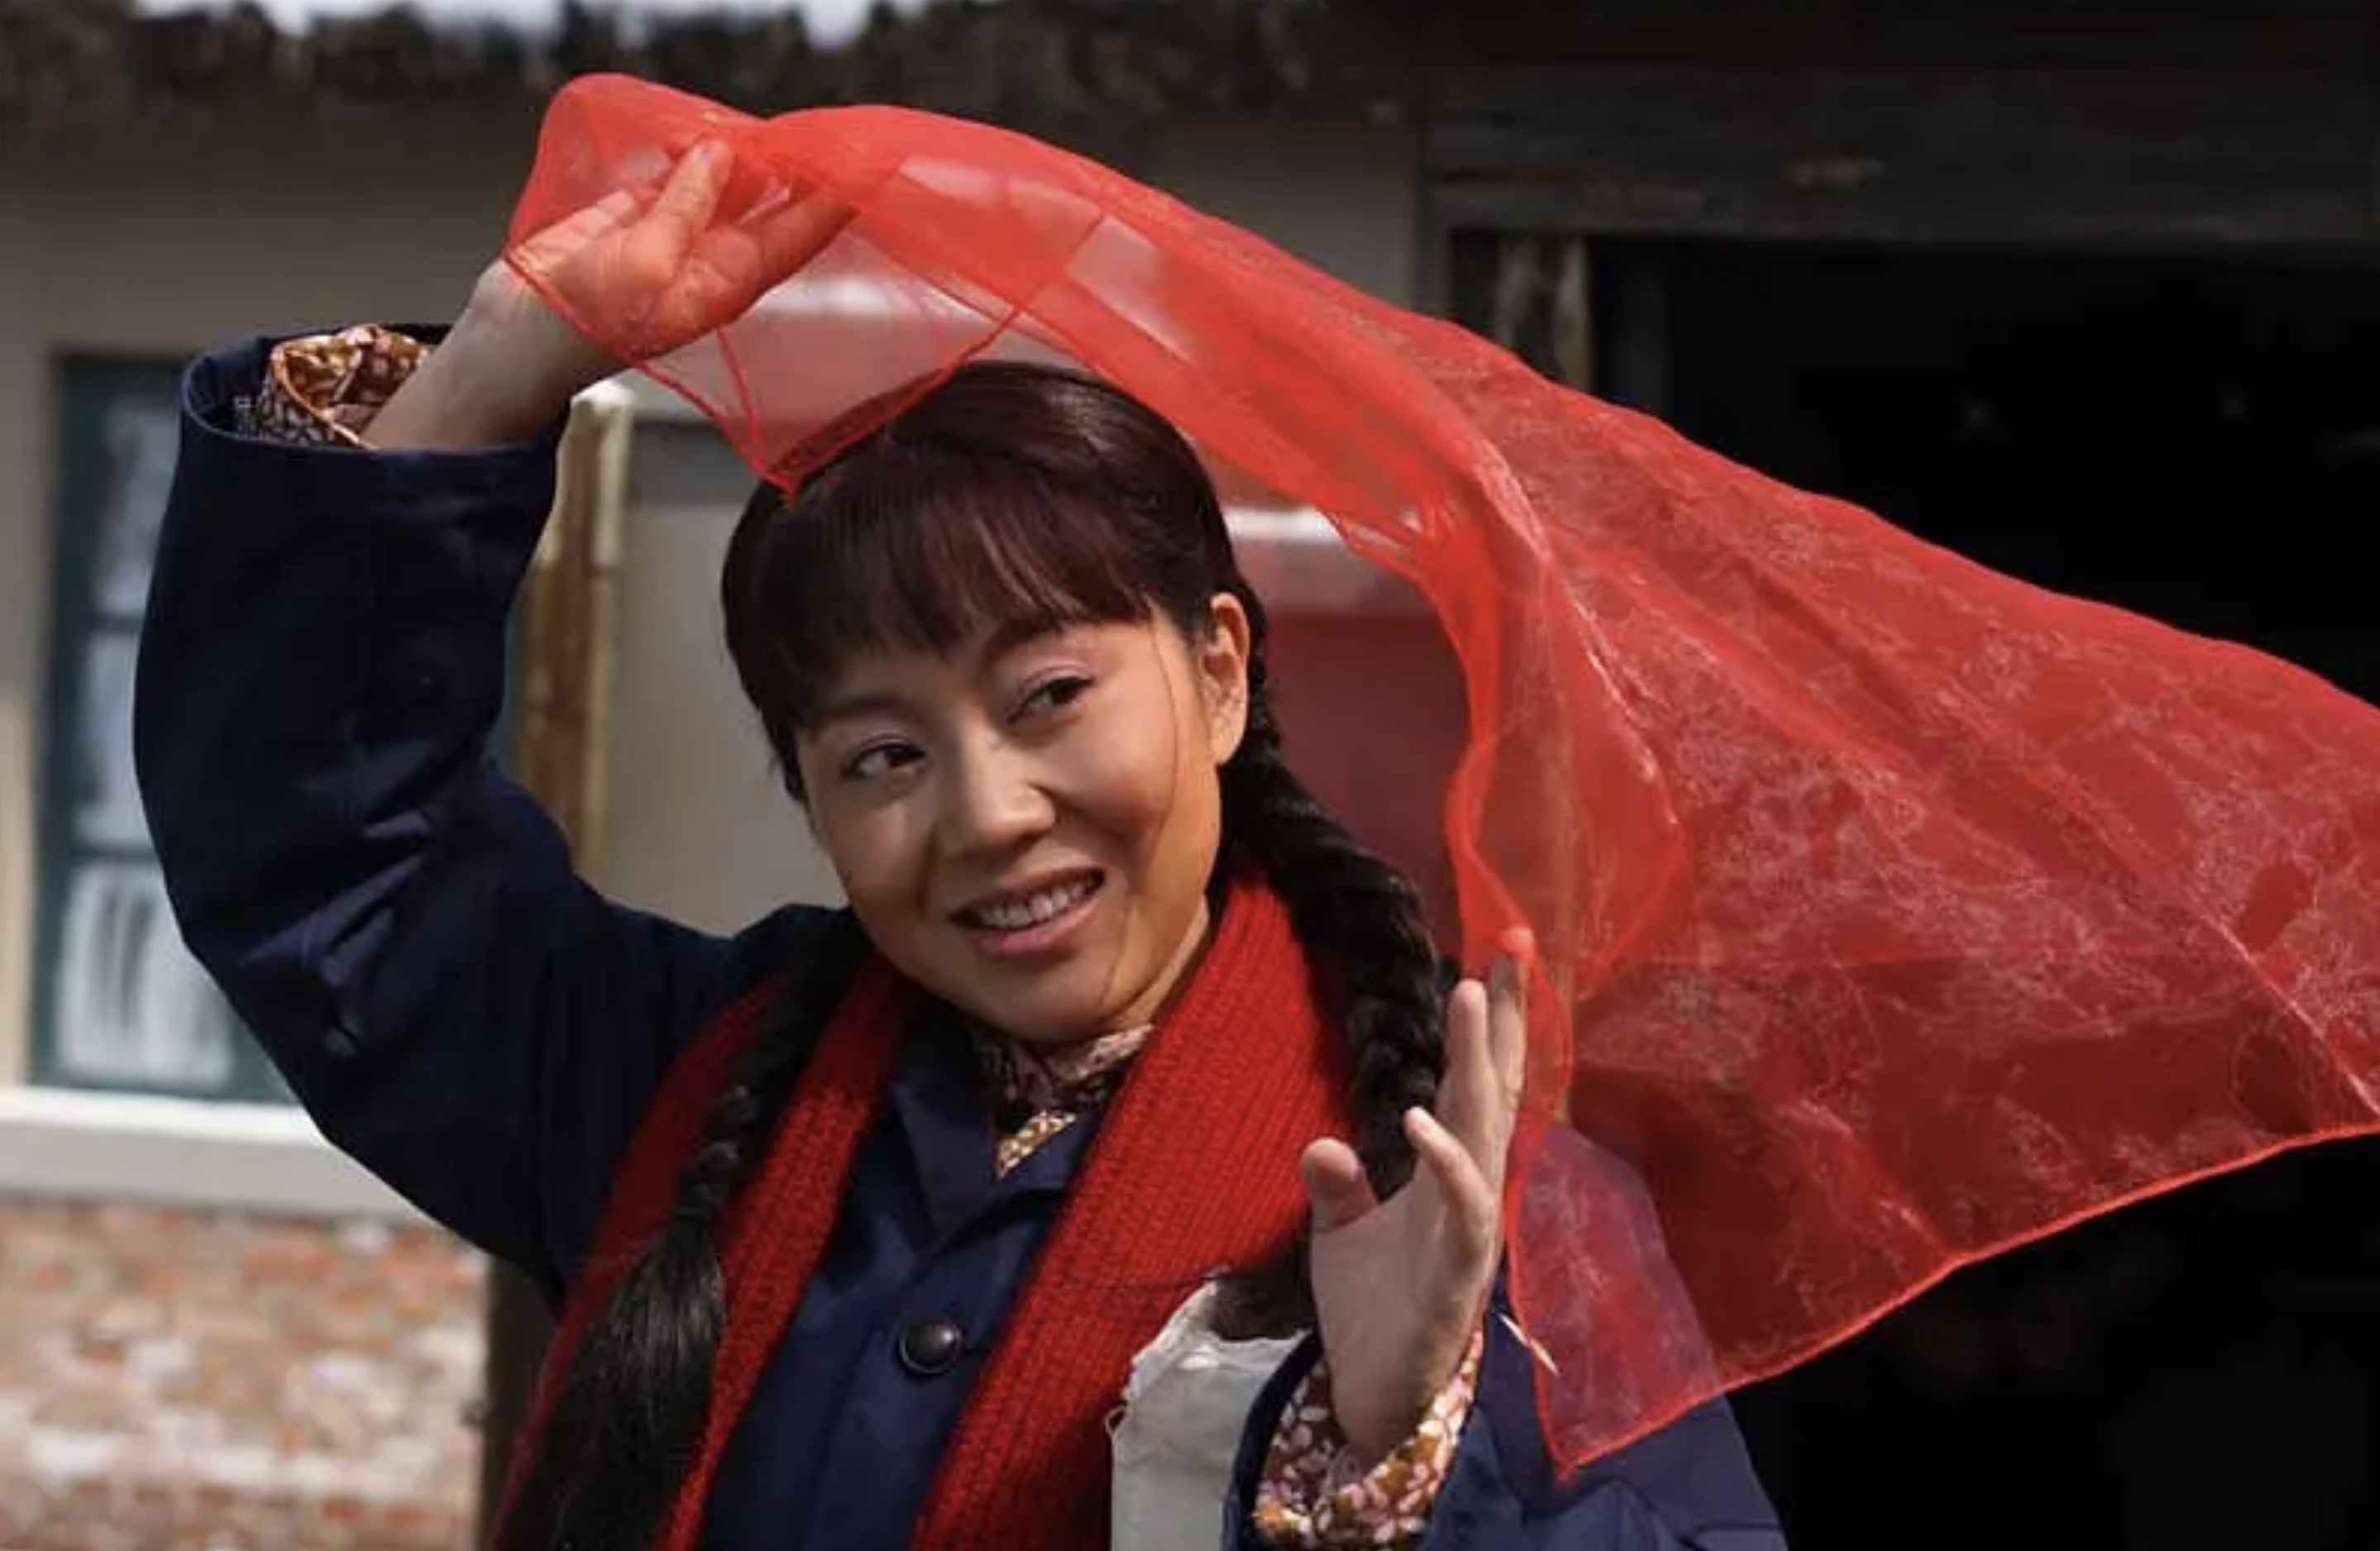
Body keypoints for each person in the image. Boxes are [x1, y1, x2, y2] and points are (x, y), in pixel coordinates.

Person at [133, 145, 1785, 1550]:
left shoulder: (1477, 1191)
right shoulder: (688, 1084)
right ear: (806, 792)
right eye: (881, 753)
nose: (988, 811)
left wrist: (1395, 1445)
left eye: (1051, 694)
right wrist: (494, 372)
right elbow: (330, 848)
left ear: (1219, 669)